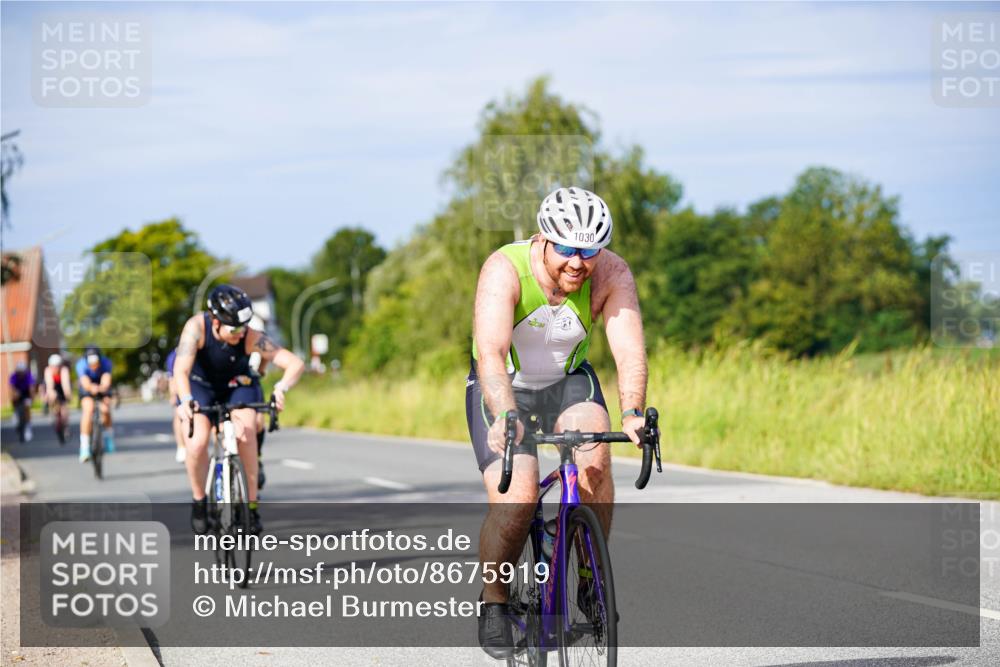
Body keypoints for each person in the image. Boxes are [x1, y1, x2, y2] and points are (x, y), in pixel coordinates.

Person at [467, 187, 648, 657]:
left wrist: (632, 411)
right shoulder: (504, 268)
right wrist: (505, 414)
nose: (577, 262)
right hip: (505, 384)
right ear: (543, 239)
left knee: (595, 458)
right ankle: (494, 599)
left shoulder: (611, 273)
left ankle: (588, 575)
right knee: (519, 496)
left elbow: (628, 349)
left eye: (589, 250)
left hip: (567, 380)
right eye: (566, 248)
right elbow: (489, 352)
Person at [173, 285, 304, 536]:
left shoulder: (250, 336)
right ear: (215, 321)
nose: (239, 334)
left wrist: (281, 388)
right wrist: (186, 399)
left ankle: (251, 506)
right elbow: (180, 370)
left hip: (237, 386)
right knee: (197, 442)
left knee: (245, 434)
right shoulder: (196, 328)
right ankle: (200, 501)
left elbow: (294, 363)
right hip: (201, 387)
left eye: (243, 327)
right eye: (233, 329)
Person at [76, 346, 115, 462]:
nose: (94, 366)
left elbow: (106, 378)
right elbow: (84, 382)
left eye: (96, 363)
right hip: (88, 387)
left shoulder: (106, 363)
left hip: (101, 385)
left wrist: (103, 388)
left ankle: (109, 436)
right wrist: (90, 387)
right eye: (91, 364)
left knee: (105, 409)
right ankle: (84, 447)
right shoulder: (81, 365)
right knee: (88, 410)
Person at [43, 354, 72, 444]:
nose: (55, 368)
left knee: (64, 411)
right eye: (53, 366)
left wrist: (68, 395)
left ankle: (66, 426)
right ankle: (51, 410)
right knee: (51, 396)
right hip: (52, 388)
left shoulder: (64, 370)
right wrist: (51, 394)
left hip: (62, 388)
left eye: (57, 366)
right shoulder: (48, 371)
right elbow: (49, 385)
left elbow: (66, 384)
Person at [165, 348, 187, 463]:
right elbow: (172, 379)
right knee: (178, 413)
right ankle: (181, 446)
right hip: (180, 384)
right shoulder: (173, 356)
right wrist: (174, 395)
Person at [8, 361, 36, 442]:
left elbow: (31, 389)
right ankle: (15, 413)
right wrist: (13, 397)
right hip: (17, 393)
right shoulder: (13, 376)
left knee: (27, 408)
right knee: (15, 397)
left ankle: (28, 426)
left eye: (22, 372)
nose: (21, 374)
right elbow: (11, 388)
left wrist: (32, 399)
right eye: (19, 372)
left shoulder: (28, 376)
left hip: (26, 394)